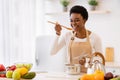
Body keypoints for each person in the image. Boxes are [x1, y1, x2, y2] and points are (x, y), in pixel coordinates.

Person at [50, 5, 102, 73]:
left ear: (84, 20)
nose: (73, 23)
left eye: (77, 20)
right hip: (70, 74)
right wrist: (57, 33)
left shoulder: (95, 37)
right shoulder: (67, 35)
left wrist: (87, 60)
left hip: (88, 75)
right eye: (71, 20)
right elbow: (52, 52)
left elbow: (100, 59)